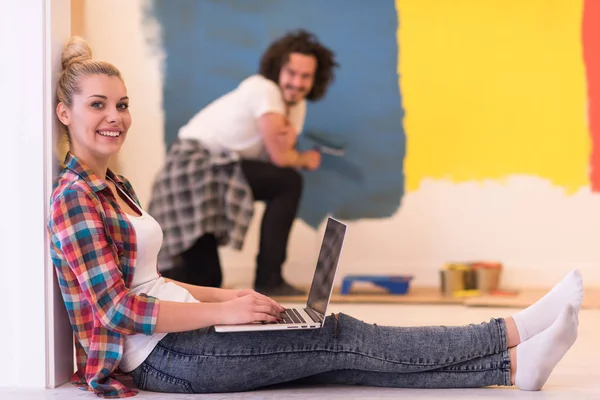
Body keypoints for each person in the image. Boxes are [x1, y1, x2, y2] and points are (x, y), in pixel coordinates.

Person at [48, 37, 583, 398]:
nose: (115, 118)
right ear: (65, 113)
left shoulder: (114, 185)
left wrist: (228, 301)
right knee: (338, 334)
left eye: (121, 104)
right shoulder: (74, 198)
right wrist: (222, 315)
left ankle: (513, 368)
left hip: (184, 332)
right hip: (163, 357)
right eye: (98, 105)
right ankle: (512, 330)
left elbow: (153, 281)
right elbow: (116, 311)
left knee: (329, 355)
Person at [147, 29, 339, 296]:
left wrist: (290, 153)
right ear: (277, 69)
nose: (297, 82)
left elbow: (280, 155)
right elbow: (282, 157)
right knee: (203, 278)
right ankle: (268, 279)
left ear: (316, 79)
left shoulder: (296, 106)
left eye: (305, 76)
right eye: (291, 73)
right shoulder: (264, 88)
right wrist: (307, 159)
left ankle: (268, 278)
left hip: (220, 169)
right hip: (191, 168)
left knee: (208, 279)